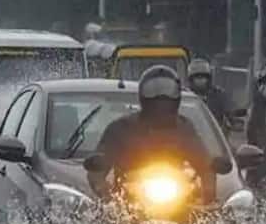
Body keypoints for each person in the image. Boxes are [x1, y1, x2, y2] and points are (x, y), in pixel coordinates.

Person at [88, 65, 217, 204]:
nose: (161, 96)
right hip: (128, 205)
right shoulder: (121, 128)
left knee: (210, 222)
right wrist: (107, 195)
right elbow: (97, 170)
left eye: (168, 91)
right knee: (99, 221)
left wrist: (207, 193)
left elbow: (204, 163)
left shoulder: (185, 128)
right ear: (142, 95)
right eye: (153, 91)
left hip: (179, 202)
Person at [186, 58, 232, 129]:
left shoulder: (218, 95)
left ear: (209, 79)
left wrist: (232, 120)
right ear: (191, 79)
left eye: (203, 77)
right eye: (197, 77)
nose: (200, 80)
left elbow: (229, 114)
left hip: (215, 135)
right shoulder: (186, 96)